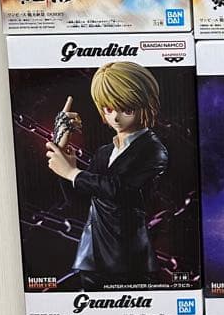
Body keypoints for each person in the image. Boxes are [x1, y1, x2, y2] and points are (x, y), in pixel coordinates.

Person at [44, 61, 168, 289]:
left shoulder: (153, 150)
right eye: (109, 109)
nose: (116, 117)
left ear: (145, 104)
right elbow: (80, 199)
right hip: (91, 256)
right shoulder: (104, 152)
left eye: (127, 109)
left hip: (128, 259)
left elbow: (120, 190)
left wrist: (73, 172)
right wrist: (65, 162)